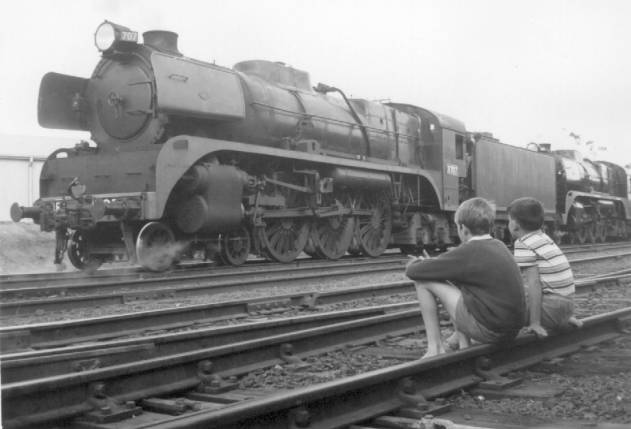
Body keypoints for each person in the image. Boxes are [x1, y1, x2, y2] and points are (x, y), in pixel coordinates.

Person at [406, 197, 525, 359]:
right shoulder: (499, 245)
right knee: (456, 281)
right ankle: (464, 346)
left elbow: (413, 272)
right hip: (511, 330)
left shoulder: (469, 251)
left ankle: (435, 348)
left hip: (491, 331)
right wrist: (431, 265)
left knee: (423, 282)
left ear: (463, 228)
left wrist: (419, 263)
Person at [507, 197, 582, 337]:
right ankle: (559, 318)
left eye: (509, 220)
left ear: (515, 224)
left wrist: (535, 322)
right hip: (567, 308)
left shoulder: (523, 243)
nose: (508, 224)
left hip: (551, 310)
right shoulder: (544, 237)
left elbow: (534, 284)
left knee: (502, 308)